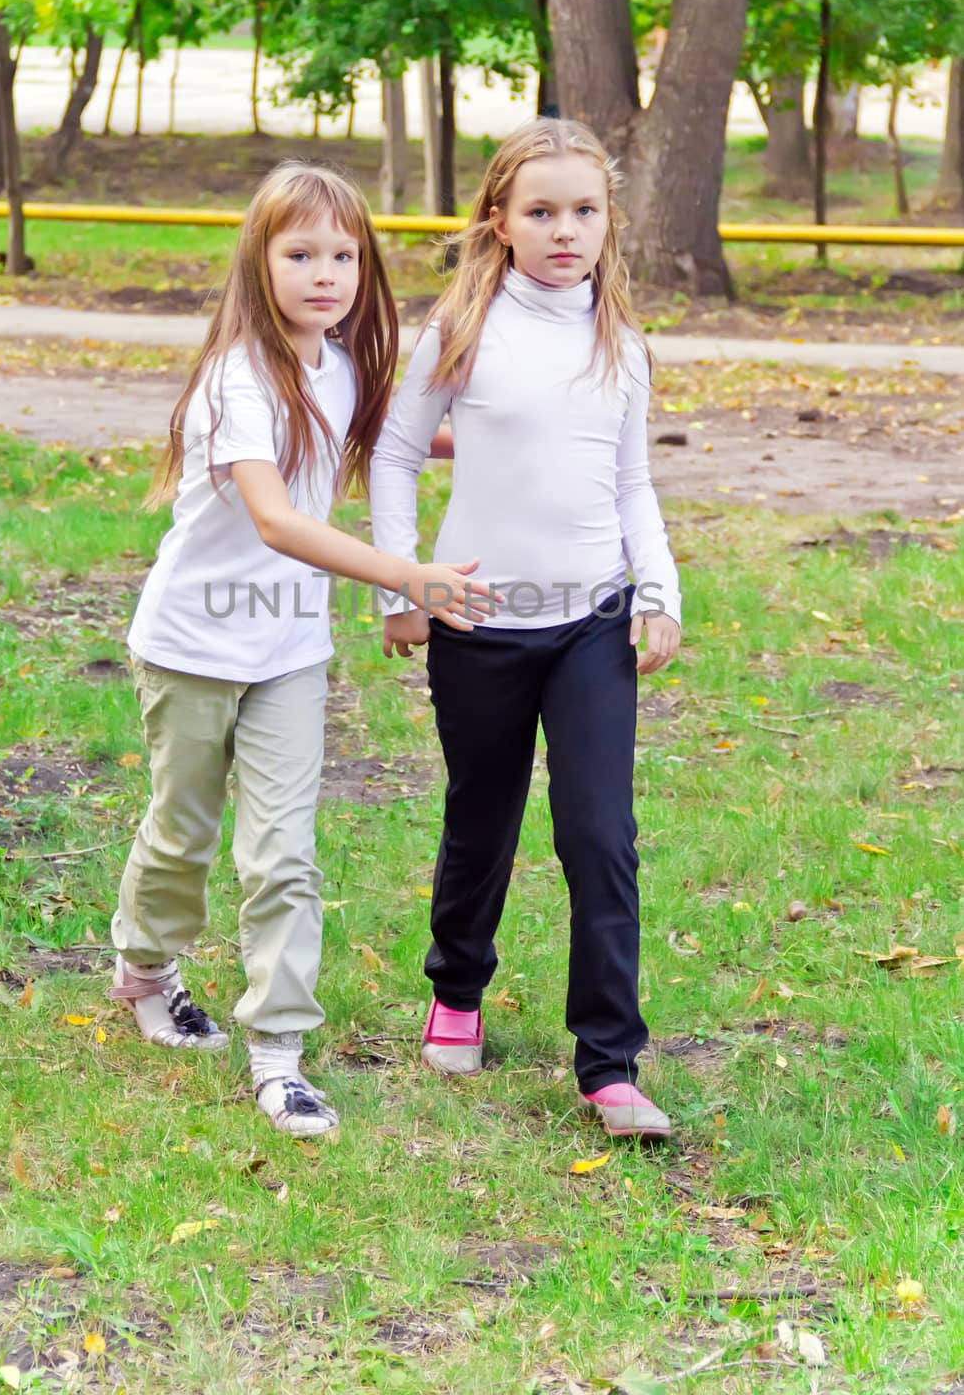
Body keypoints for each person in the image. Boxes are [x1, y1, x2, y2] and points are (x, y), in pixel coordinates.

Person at [109, 162, 494, 1139]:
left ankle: (278, 1056)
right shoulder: (238, 375)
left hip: (286, 649)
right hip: (193, 642)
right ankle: (145, 968)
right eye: (300, 253)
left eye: (343, 255)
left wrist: (516, 435)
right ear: (260, 259)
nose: (325, 273)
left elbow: (386, 442)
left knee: (282, 854)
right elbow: (278, 520)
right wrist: (406, 576)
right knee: (182, 833)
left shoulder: (342, 363)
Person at [370, 119, 682, 1141]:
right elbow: (394, 454)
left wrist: (657, 589)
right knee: (483, 820)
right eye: (540, 211)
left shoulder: (620, 344)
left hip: (590, 623)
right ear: (498, 222)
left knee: (599, 836)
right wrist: (400, 586)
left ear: (605, 222)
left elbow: (630, 479)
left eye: (582, 211)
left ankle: (609, 1062)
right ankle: (455, 991)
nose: (563, 230)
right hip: (480, 621)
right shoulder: (460, 328)